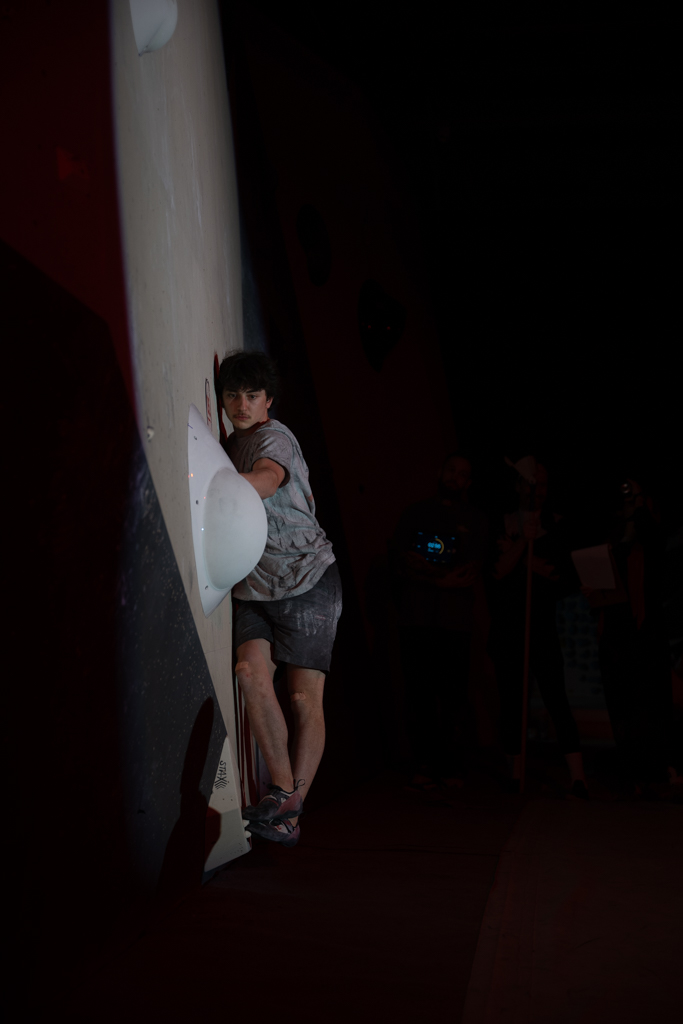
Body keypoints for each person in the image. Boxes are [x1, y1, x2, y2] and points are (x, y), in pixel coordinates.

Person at [219, 351, 341, 846]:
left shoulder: (274, 438)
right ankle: (285, 794)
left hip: (307, 578)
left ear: (268, 400)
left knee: (302, 697)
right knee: (249, 673)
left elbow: (268, 478)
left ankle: (290, 811)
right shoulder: (229, 445)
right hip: (255, 587)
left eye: (252, 396)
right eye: (233, 395)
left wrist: (219, 489)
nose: (241, 404)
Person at [487, 458, 588, 797]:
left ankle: (578, 778)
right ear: (518, 485)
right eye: (531, 483)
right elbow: (497, 572)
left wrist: (526, 553)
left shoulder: (557, 526)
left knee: (556, 698)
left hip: (542, 626)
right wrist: (519, 543)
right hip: (508, 626)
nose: (537, 490)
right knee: (512, 701)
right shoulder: (501, 523)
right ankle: (515, 775)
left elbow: (562, 576)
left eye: (542, 484)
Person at [390, 454, 487, 790]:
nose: (455, 478)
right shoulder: (415, 513)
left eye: (462, 474)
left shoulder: (474, 519)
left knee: (453, 695)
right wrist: (440, 579)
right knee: (419, 694)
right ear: (440, 472)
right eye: (451, 470)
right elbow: (400, 560)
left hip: (455, 623)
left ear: (468, 482)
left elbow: (471, 569)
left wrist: (428, 571)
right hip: (416, 619)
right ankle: (424, 763)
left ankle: (451, 765)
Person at [581, 478, 679, 796]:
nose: (629, 500)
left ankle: (654, 770)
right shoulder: (612, 536)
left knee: (648, 704)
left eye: (636, 495)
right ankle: (630, 773)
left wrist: (638, 510)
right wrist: (592, 590)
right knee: (620, 704)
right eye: (625, 495)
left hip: (645, 632)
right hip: (615, 630)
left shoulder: (651, 534)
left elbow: (655, 544)